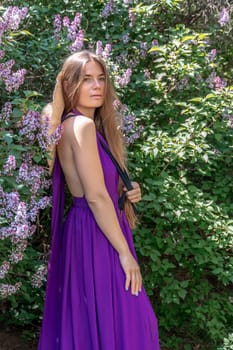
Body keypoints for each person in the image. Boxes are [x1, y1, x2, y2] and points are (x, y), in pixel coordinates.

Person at [38, 50, 160, 349]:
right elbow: (94, 196)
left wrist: (127, 190)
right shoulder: (82, 125)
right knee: (130, 319)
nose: (97, 87)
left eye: (101, 79)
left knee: (97, 319)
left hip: (87, 228)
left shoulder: (70, 124)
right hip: (98, 232)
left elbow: (99, 187)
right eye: (86, 80)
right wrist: (125, 253)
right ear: (69, 85)